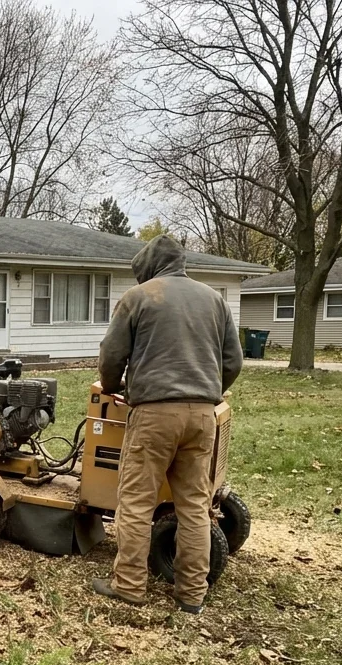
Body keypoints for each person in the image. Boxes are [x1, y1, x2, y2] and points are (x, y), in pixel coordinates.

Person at [91, 235, 243, 615]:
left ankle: (128, 585)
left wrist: (113, 388)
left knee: (136, 501)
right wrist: (208, 391)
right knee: (194, 505)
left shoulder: (139, 297)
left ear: (147, 268)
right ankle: (192, 594)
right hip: (203, 415)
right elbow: (233, 361)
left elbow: (111, 356)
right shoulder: (215, 300)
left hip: (154, 414)